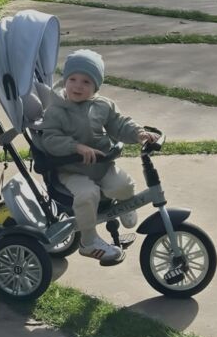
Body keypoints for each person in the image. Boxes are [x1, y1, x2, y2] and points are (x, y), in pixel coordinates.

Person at [38, 49, 159, 265]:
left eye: (86, 81)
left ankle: (125, 207)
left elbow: (119, 123)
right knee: (88, 194)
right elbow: (50, 140)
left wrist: (139, 133)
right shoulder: (56, 110)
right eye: (72, 79)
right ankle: (88, 241)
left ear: (96, 86)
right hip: (70, 170)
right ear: (65, 81)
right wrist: (76, 147)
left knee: (123, 185)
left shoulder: (103, 105)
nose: (77, 86)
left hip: (101, 166)